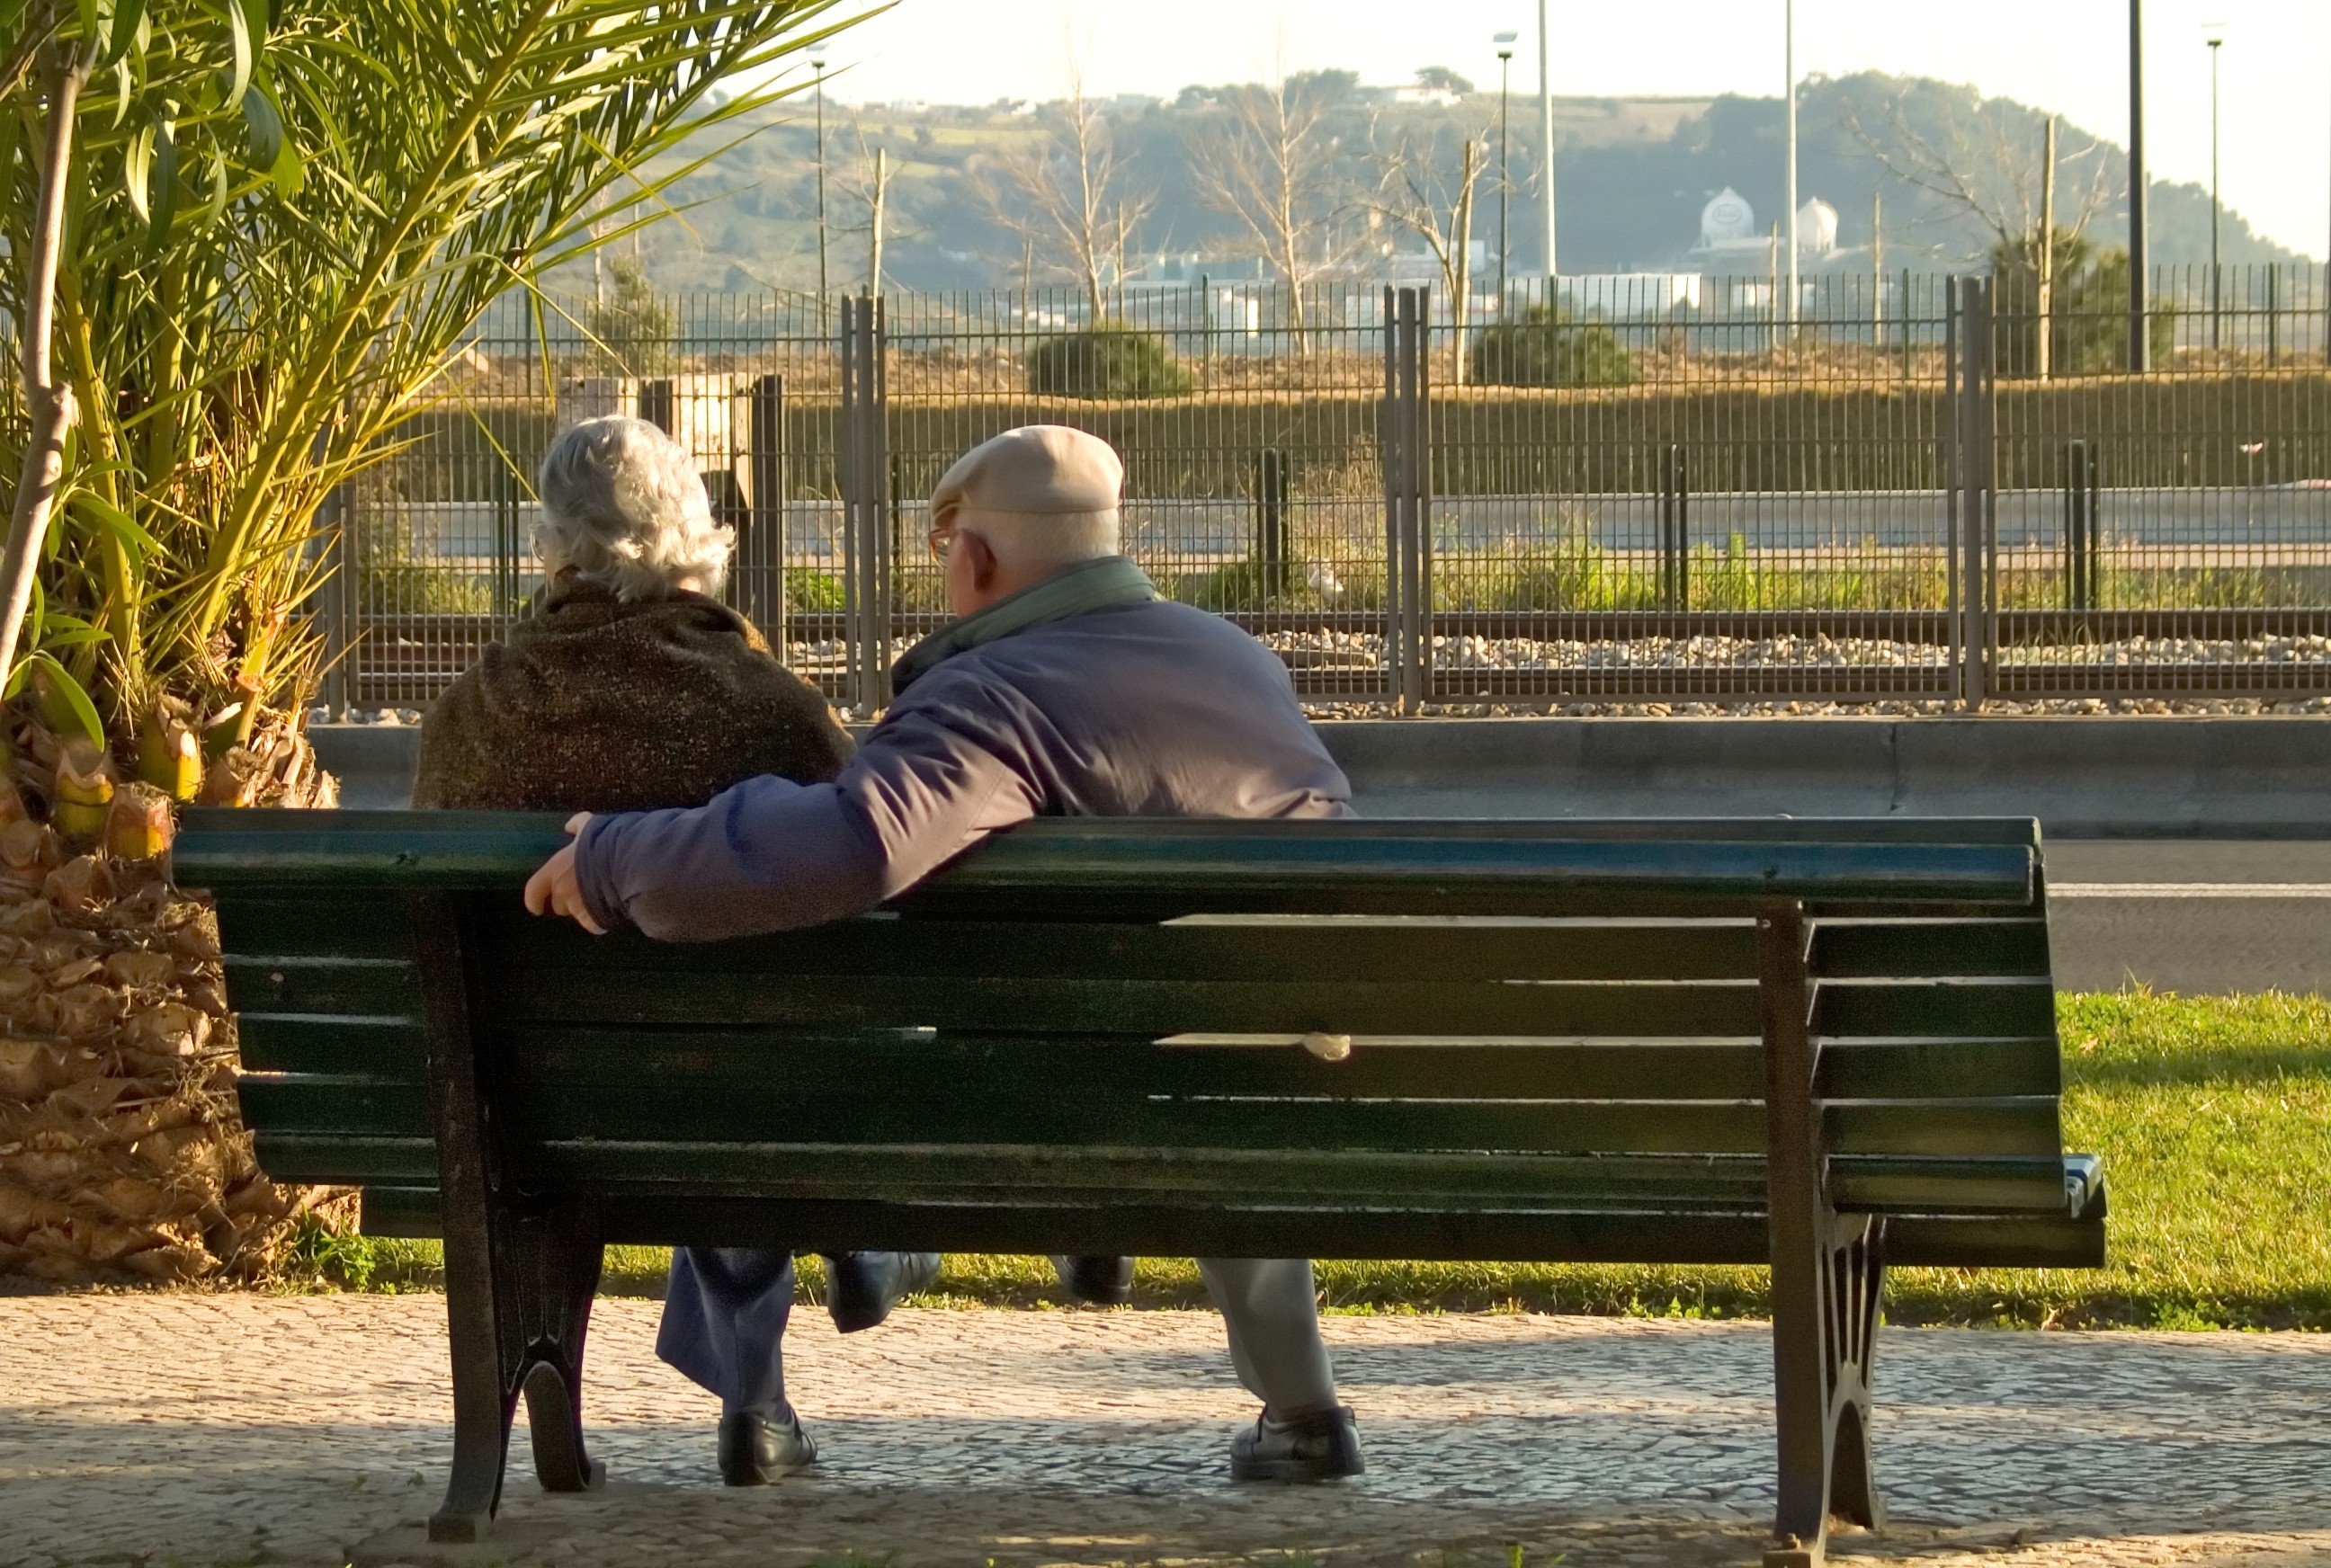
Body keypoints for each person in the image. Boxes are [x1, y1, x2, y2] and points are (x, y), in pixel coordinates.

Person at [523, 423, 1365, 1483]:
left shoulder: (993, 694)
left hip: (1080, 1092)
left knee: (1010, 1035)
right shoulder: (1237, 658)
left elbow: (858, 843)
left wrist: (613, 857)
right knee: (1223, 1033)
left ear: (973, 559)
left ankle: (938, 1244)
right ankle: (1306, 1408)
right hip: (1284, 1072)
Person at [414, 414, 940, 1486]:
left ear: (551, 545)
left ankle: (743, 1385)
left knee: (689, 1047)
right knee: (734, 1038)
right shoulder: (762, 708)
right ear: (698, 536)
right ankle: (803, 1335)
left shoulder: (468, 717)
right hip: (746, 1090)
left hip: (527, 1110)